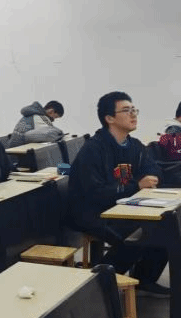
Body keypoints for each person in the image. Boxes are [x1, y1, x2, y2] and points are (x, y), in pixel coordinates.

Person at [67, 92, 169, 296]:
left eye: (134, 110)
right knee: (136, 236)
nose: (133, 114)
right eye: (126, 110)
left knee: (166, 225)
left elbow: (153, 169)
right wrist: (136, 185)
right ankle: (98, 286)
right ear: (109, 118)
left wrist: (151, 178)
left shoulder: (134, 145)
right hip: (92, 211)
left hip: (122, 206)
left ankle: (144, 279)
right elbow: (95, 193)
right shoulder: (93, 149)